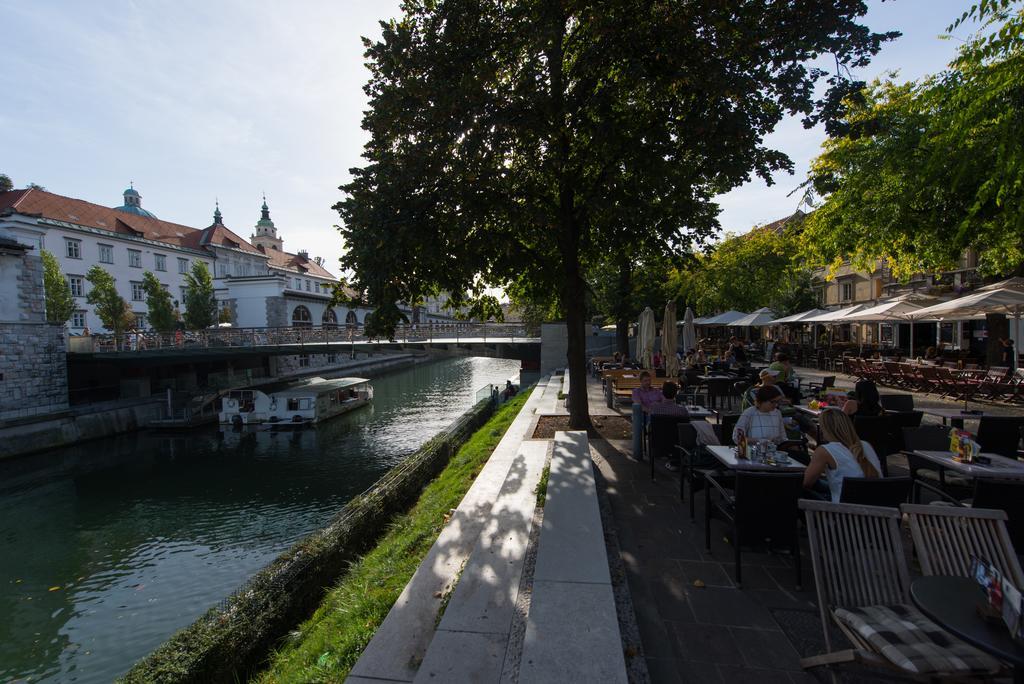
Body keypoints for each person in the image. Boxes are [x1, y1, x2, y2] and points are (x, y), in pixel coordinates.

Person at [803, 409, 882, 502]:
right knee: (821, 485)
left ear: (825, 429)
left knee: (799, 490)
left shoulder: (824, 451)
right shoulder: (866, 445)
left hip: (843, 512)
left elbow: (806, 483)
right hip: (875, 509)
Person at [631, 371, 664, 458]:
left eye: (649, 380)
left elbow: (664, 401)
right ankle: (656, 447)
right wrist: (650, 411)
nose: (648, 382)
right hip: (645, 416)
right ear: (641, 381)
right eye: (645, 381)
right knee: (653, 421)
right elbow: (639, 405)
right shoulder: (636, 392)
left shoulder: (656, 391)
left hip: (658, 414)